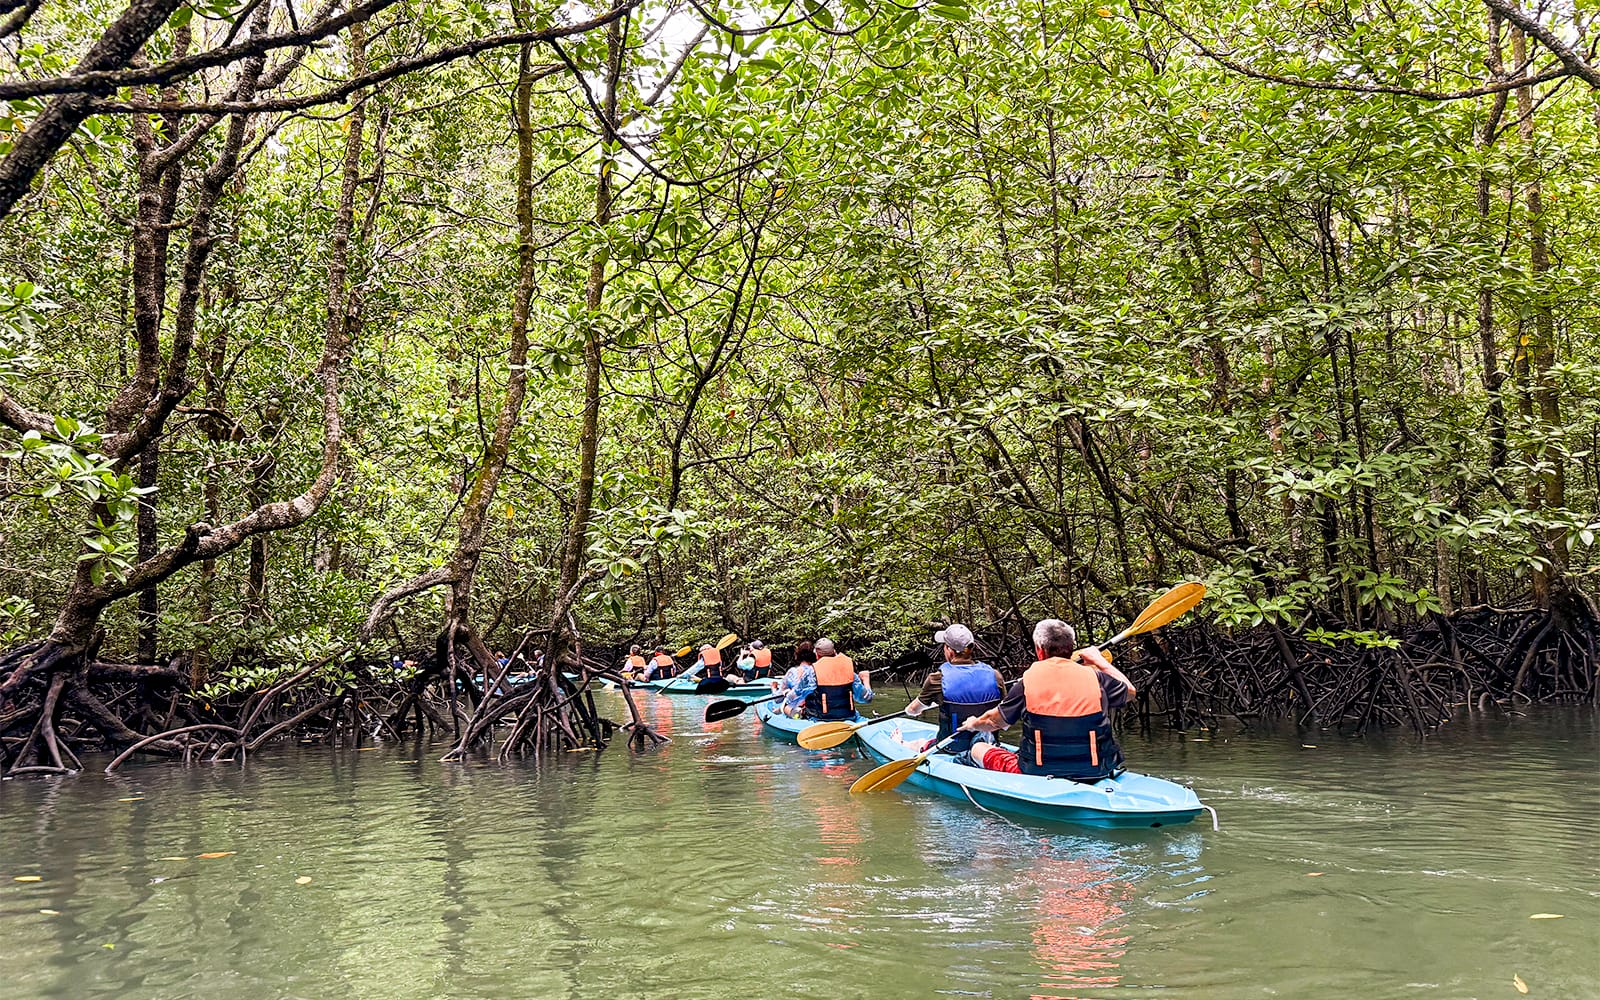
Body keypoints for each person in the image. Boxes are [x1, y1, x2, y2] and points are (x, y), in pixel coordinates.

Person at [959, 619, 1134, 781]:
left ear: (1040, 649)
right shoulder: (1097, 678)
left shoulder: (1027, 682)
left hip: (1038, 772)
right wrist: (1099, 661)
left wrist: (973, 724)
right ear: (1071, 648)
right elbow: (1130, 692)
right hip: (1098, 770)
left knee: (978, 748)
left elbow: (992, 722)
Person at [903, 623, 1006, 755]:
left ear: (949, 651)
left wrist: (910, 710)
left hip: (949, 749)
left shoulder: (937, 679)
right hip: (987, 747)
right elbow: (1004, 713)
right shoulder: (996, 676)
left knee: (916, 744)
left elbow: (913, 710)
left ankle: (901, 742)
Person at [784, 638, 872, 720]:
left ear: (817, 655)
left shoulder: (812, 672)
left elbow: (795, 695)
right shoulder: (849, 671)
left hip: (819, 719)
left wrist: (787, 695)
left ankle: (796, 716)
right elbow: (866, 699)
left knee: (786, 708)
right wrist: (865, 680)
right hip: (848, 716)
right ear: (834, 652)